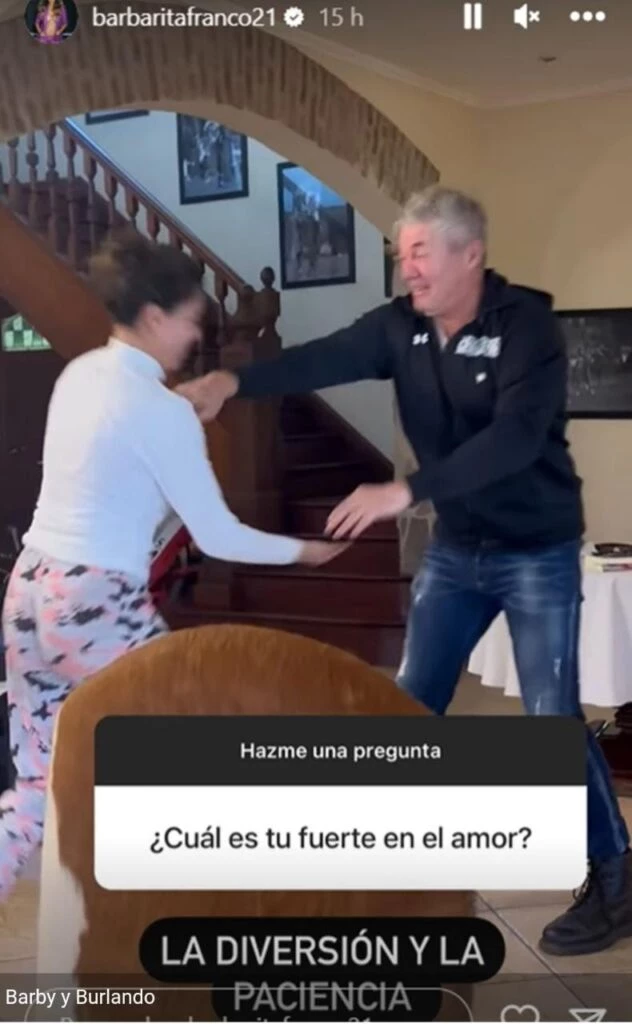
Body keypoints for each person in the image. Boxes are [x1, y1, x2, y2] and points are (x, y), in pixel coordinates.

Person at [177, 185, 632, 957]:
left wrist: (405, 489)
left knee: (550, 719)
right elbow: (323, 356)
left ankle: (617, 877)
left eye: (420, 252)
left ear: (470, 255)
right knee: (409, 702)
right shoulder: (398, 328)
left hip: (536, 550)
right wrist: (233, 381)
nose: (406, 267)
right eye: (402, 253)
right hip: (458, 553)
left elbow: (517, 439)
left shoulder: (526, 327)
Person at [0, 229, 346, 901]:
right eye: (190, 320)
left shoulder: (80, 375)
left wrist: (170, 420)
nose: (195, 336)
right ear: (155, 317)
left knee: (38, 783)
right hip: (94, 601)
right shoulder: (161, 412)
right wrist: (304, 549)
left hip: (28, 591)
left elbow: (118, 460)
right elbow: (218, 536)